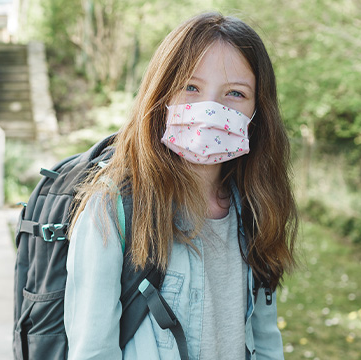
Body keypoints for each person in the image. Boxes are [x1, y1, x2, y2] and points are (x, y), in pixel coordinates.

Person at [64, 11, 298, 360]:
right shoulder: (113, 209)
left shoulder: (255, 210)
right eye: (191, 87)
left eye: (235, 93)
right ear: (162, 95)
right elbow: (93, 352)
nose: (211, 109)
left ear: (256, 113)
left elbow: (265, 343)